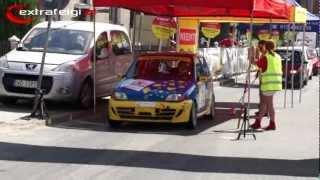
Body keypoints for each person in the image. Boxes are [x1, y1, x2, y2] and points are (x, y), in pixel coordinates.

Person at [250, 40, 282, 130]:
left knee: (269, 105)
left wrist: (252, 55)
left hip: (269, 84)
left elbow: (256, 63)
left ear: (265, 47)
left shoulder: (266, 57)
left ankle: (272, 123)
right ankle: (258, 122)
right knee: (263, 104)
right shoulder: (277, 56)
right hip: (275, 83)